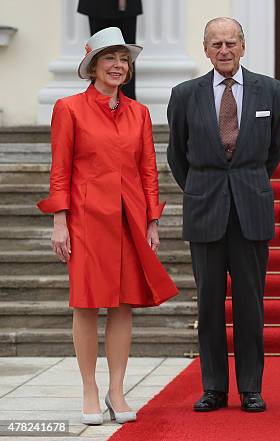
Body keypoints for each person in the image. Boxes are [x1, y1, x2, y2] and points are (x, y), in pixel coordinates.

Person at [37, 27, 177, 425]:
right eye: (110, 59)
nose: (118, 66)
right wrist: (59, 222)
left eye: (124, 60)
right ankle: (89, 388)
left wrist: (152, 219)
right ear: (92, 66)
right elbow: (60, 169)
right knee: (86, 303)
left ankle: (117, 389)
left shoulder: (140, 113)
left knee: (123, 305)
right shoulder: (68, 108)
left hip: (129, 217)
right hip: (85, 218)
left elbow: (148, 170)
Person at [166, 17, 280, 413]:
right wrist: (204, 188)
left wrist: (243, 184)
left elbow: (272, 152)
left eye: (230, 42)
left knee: (251, 304)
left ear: (243, 45)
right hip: (205, 210)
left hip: (250, 209)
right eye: (216, 44)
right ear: (205, 49)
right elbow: (177, 156)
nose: (224, 50)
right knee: (209, 304)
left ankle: (251, 387)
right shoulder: (185, 94)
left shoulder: (270, 90)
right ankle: (214, 387)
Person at [78, 0, 142, 99]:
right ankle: (97, 102)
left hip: (126, 8)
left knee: (123, 54)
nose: (118, 64)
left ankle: (125, 104)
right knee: (100, 54)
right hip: (97, 6)